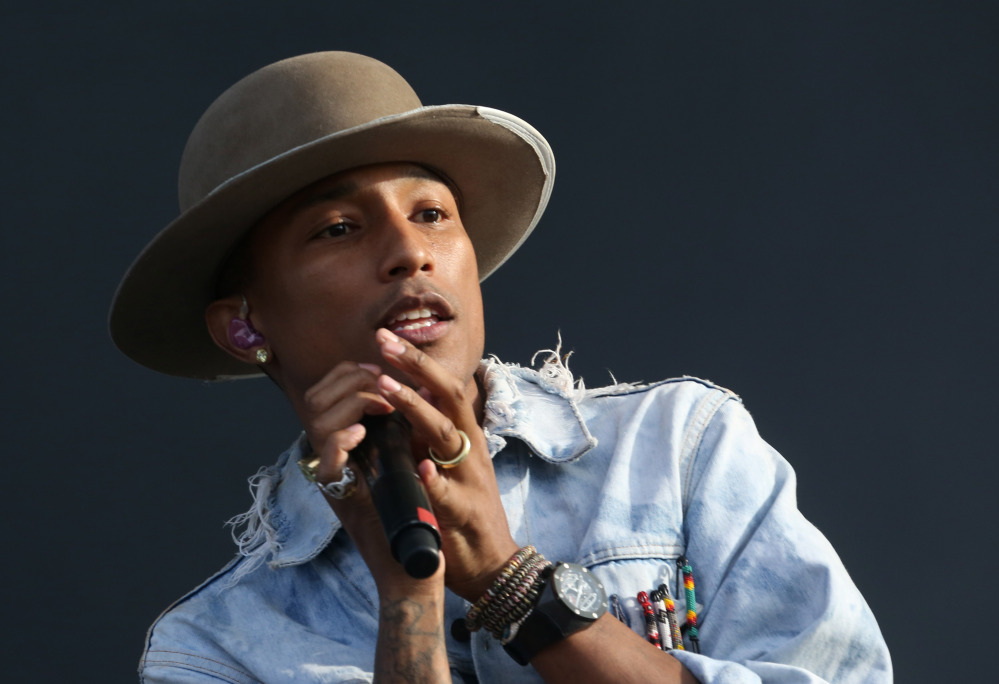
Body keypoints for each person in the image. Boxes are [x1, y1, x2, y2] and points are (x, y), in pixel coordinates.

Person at [111, 52, 891, 684]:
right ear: (245, 325)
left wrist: (507, 579)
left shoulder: (681, 450)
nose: (411, 251)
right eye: (339, 228)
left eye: (431, 215)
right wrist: (408, 605)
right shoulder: (216, 651)